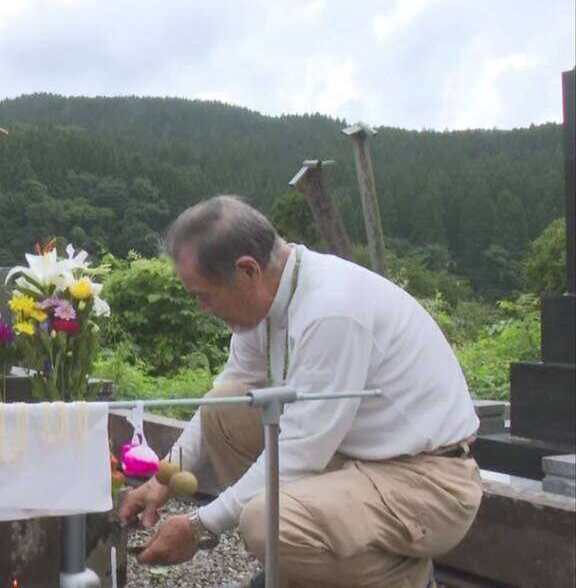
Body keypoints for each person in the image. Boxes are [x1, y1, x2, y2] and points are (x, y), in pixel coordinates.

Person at [118, 196, 482, 588]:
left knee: (264, 521)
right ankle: (309, 561)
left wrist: (199, 525)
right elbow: (223, 398)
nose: (203, 308)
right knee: (223, 411)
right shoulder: (266, 304)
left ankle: (401, 576)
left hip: (426, 480)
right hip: (353, 455)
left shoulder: (331, 310)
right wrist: (163, 478)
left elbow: (300, 452)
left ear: (247, 270)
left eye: (203, 294)